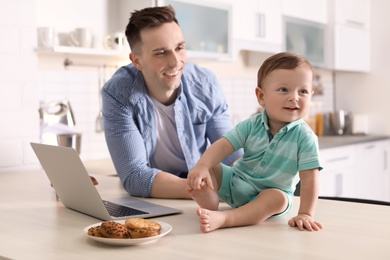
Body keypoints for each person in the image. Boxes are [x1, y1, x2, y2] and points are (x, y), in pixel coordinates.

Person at [101, 5, 242, 199]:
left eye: (179, 48)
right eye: (160, 52)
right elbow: (134, 177)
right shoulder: (119, 93)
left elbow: (231, 152)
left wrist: (250, 177)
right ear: (137, 61)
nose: (175, 62)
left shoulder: (205, 84)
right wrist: (204, 190)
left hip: (201, 192)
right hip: (158, 195)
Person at [186, 52, 323, 233]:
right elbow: (224, 145)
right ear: (261, 96)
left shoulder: (305, 137)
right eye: (284, 89)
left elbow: (309, 179)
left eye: (303, 91)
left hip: (268, 197)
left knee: (278, 198)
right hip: (235, 182)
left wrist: (306, 213)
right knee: (208, 166)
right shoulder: (251, 124)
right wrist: (203, 166)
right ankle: (210, 206)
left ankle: (227, 218)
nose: (294, 97)